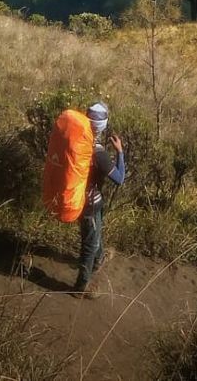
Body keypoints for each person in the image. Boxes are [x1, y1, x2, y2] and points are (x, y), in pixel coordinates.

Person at [74, 101, 125, 296]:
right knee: (89, 244)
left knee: (96, 231)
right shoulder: (99, 153)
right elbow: (119, 179)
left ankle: (100, 258)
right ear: (103, 127)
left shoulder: (79, 142)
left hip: (80, 198)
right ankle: (81, 286)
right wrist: (120, 151)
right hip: (90, 204)